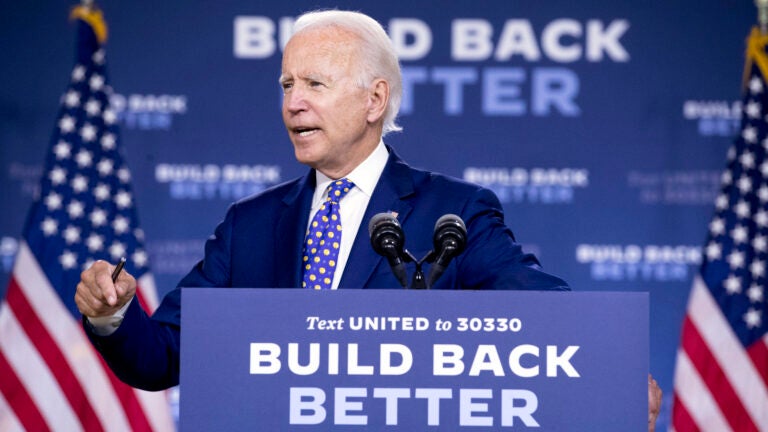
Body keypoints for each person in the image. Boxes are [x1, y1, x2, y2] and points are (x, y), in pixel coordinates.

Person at [75, 9, 660, 428]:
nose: (293, 102)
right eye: (286, 84)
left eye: (314, 84)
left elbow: (532, 303)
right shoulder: (249, 225)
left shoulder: (450, 212)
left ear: (374, 100)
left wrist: (611, 367)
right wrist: (112, 315)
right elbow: (162, 356)